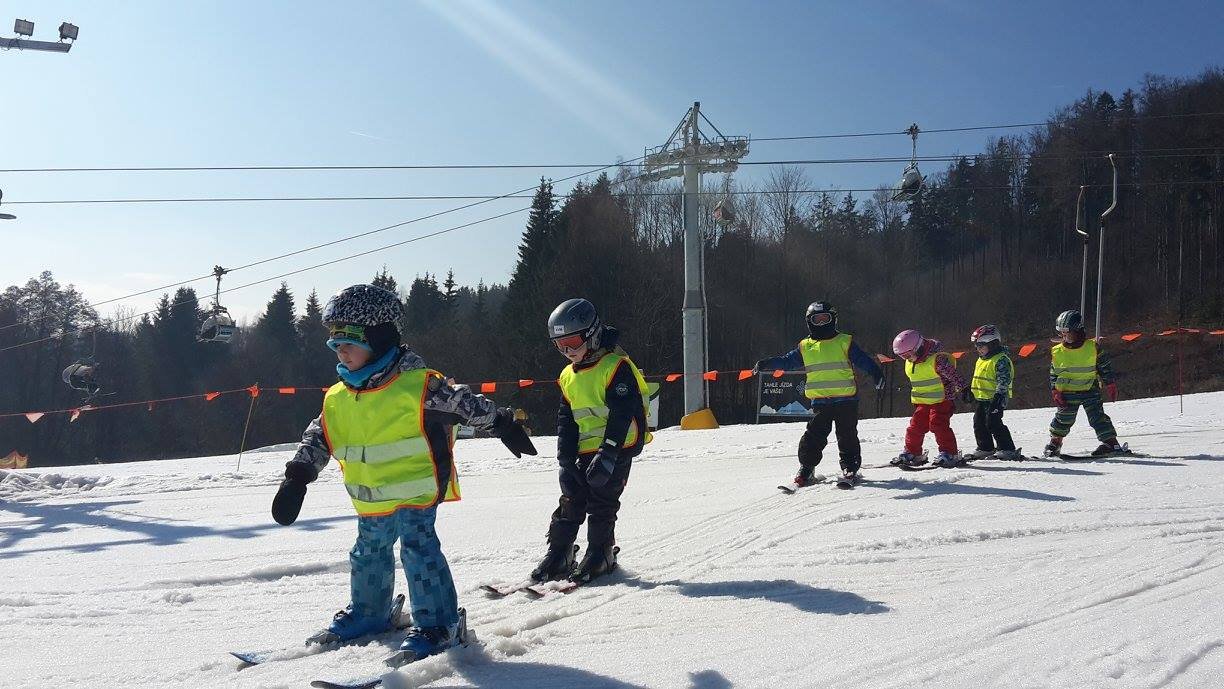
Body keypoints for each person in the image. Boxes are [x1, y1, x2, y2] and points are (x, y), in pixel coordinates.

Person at [270, 284, 536, 664]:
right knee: (368, 553)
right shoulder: (339, 396)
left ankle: (437, 624)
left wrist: (503, 422)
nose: (341, 351)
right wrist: (297, 476)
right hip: (371, 497)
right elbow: (319, 436)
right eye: (335, 344)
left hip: (417, 491)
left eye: (350, 342)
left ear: (379, 340)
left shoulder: (420, 385)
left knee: (418, 551)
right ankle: (369, 612)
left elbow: (466, 405)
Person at [531, 298, 650, 585]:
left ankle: (601, 553)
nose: (568, 351)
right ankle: (559, 553)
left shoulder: (615, 366)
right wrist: (564, 459)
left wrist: (608, 454)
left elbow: (623, 413)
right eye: (559, 345)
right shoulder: (567, 376)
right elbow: (567, 419)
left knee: (602, 501)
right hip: (583, 450)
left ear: (592, 333)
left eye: (572, 342)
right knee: (571, 499)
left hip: (615, 448)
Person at [752, 301, 885, 486]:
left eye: (825, 319)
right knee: (814, 435)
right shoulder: (805, 346)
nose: (821, 324)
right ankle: (806, 467)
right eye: (817, 320)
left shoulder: (844, 342)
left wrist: (876, 372)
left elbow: (863, 360)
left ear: (833, 320)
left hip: (846, 399)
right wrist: (768, 363)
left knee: (847, 435)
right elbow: (787, 362)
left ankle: (849, 466)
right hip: (820, 401)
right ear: (809, 322)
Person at [1044, 309, 1127, 457]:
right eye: (1061, 333)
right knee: (1063, 419)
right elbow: (1053, 372)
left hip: (1090, 390)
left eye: (1066, 332)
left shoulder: (1092, 347)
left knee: (1098, 417)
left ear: (1077, 330)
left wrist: (1110, 384)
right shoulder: (1057, 351)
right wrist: (1054, 390)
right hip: (1067, 392)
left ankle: (1111, 443)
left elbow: (1104, 366)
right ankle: (1054, 443)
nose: (1063, 336)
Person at [891, 329, 969, 467]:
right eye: (903, 357)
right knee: (915, 427)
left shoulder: (937, 360)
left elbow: (953, 374)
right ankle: (913, 453)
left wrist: (964, 389)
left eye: (908, 355)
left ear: (919, 348)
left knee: (938, 424)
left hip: (942, 399)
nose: (907, 359)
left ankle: (950, 453)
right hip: (923, 401)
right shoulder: (911, 362)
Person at [965, 325, 1022, 461]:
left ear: (993, 343)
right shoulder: (982, 359)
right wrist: (970, 391)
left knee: (993, 422)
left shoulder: (1001, 360)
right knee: (979, 422)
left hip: (996, 398)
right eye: (976, 346)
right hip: (982, 398)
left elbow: (1004, 380)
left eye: (981, 345)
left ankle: (1007, 448)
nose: (978, 349)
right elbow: (979, 378)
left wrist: (998, 398)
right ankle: (985, 448)